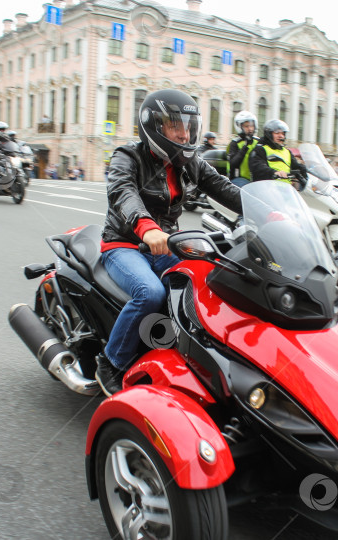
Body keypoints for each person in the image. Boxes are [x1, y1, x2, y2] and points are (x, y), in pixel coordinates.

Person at [95, 89, 242, 395]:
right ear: (156, 127)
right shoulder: (128, 156)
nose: (184, 133)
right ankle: (111, 361)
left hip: (166, 244)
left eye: (188, 126)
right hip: (124, 244)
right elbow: (122, 192)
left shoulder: (189, 162)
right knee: (150, 292)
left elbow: (222, 187)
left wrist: (270, 209)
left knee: (209, 278)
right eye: (176, 125)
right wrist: (146, 228)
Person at [247, 119, 308, 188]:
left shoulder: (287, 152)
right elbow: (257, 166)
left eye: (283, 133)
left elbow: (296, 167)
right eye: (277, 133)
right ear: (269, 134)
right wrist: (274, 172)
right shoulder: (261, 149)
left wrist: (302, 172)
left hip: (286, 190)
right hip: (266, 189)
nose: (281, 136)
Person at [226, 111, 259, 187]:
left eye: (252, 126)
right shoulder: (235, 143)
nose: (250, 129)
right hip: (239, 178)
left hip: (256, 180)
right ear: (240, 127)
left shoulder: (258, 142)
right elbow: (233, 163)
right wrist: (245, 147)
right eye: (246, 126)